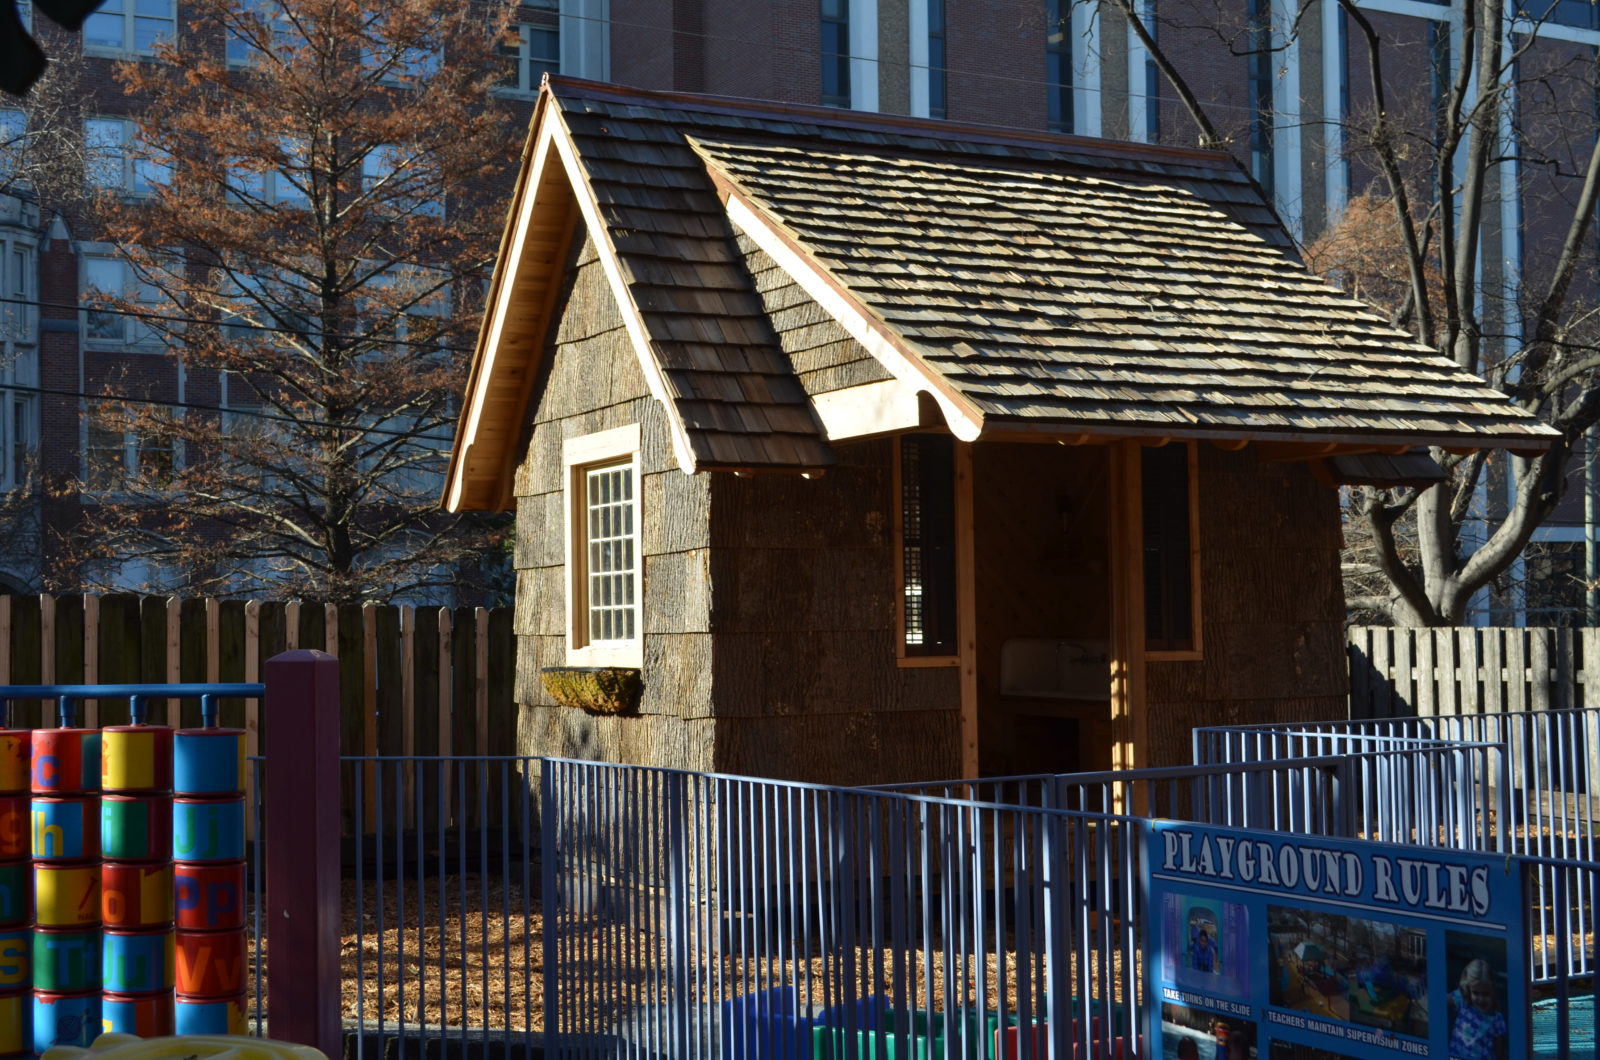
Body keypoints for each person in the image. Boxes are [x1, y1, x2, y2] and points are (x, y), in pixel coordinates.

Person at [1448, 958, 1507, 1059]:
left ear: (1493, 990)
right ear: (1468, 990)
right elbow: (1438, 1001)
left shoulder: (1496, 1019)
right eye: (1475, 993)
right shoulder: (1463, 1000)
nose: (1480, 999)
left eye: (1485, 994)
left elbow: (1499, 1051)